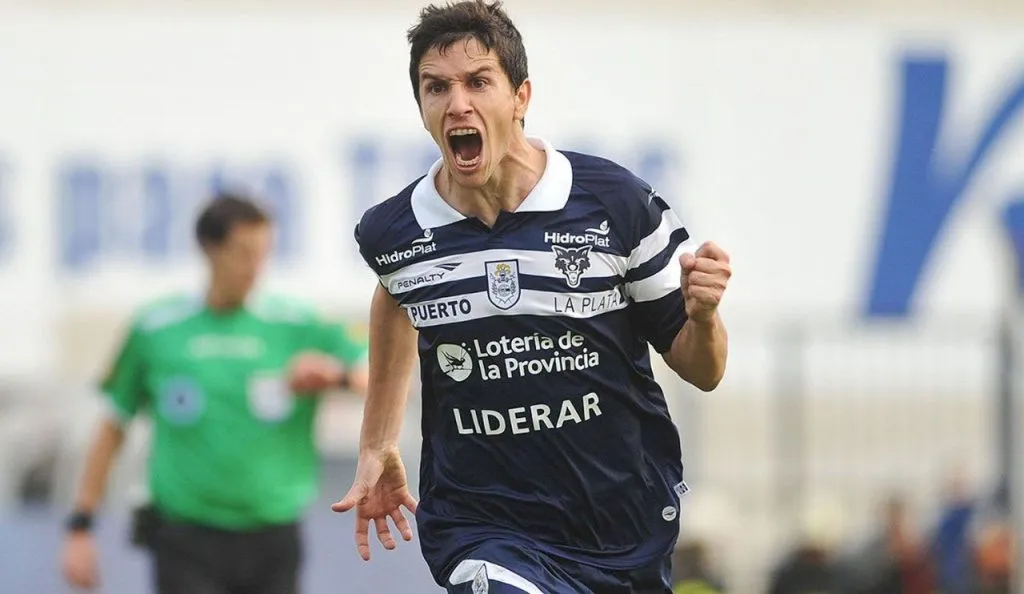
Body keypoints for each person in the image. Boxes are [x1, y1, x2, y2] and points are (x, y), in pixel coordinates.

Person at [332, 1, 731, 592]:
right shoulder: (396, 232)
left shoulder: (614, 204)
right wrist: (377, 443)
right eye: (436, 87)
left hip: (618, 523)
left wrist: (704, 316)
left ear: (520, 98)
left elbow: (703, 370)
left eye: (478, 82)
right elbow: (396, 294)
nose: (457, 103)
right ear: (421, 107)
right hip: (482, 523)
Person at [60, 193, 369, 594]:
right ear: (208, 249)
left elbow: (375, 370)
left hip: (273, 534)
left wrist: (334, 376)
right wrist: (81, 526)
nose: (254, 267)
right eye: (242, 253)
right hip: (185, 536)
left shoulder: (296, 324)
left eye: (262, 253)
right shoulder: (157, 329)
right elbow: (112, 426)